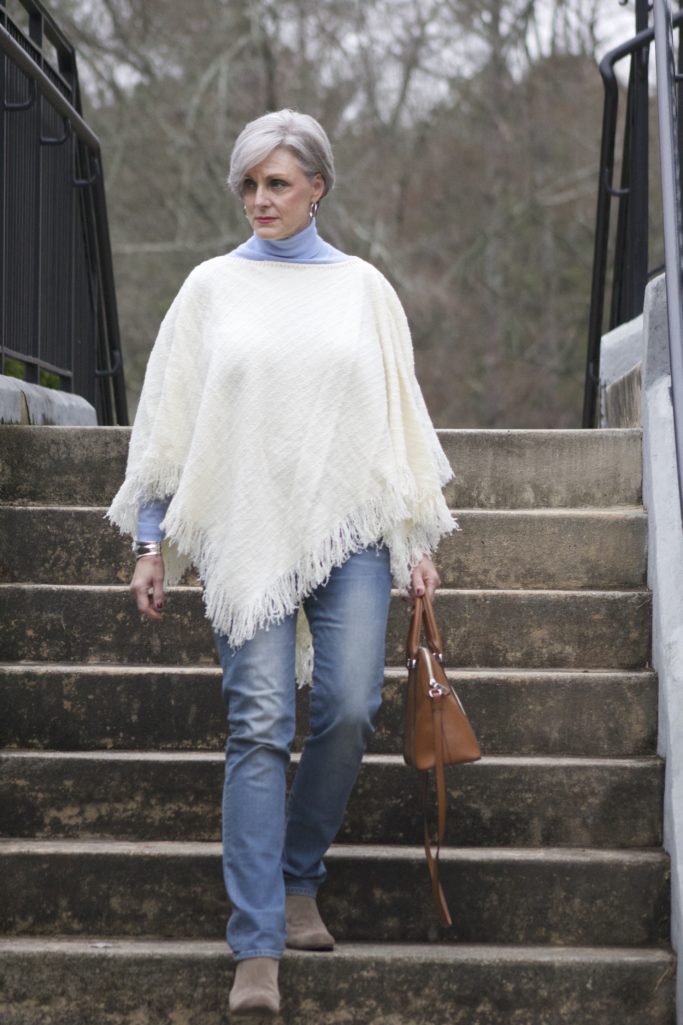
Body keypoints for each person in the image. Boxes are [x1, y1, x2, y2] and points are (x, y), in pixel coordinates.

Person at [108, 109, 457, 1017]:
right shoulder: (210, 288)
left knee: (349, 706)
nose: (259, 199)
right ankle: (257, 944)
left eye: (277, 183)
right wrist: (150, 541)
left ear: (316, 188)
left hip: (352, 532)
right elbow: (171, 423)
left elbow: (396, 425)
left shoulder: (364, 289)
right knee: (259, 721)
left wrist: (414, 543)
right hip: (245, 531)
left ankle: (299, 872)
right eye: (249, 185)